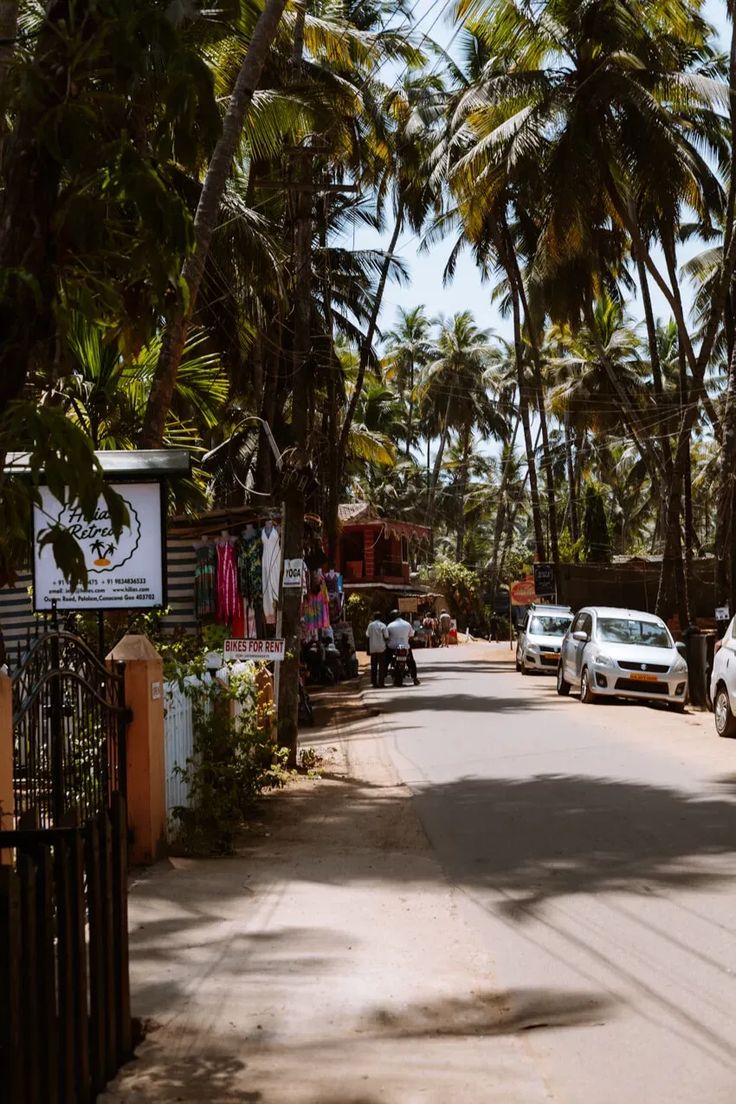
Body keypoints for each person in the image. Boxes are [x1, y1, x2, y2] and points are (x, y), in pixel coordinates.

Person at [387, 609, 420, 685]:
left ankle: (382, 676)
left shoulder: (390, 625)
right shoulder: (407, 624)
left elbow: (387, 636)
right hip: (405, 647)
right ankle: (415, 678)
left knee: (386, 661)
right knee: (411, 662)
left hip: (392, 647)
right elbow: (411, 635)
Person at [365, 611, 389, 688]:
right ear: (381, 617)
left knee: (374, 666)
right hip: (381, 648)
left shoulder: (370, 625)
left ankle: (374, 683)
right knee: (382, 666)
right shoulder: (382, 625)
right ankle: (381, 683)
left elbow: (367, 635)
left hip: (373, 648)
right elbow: (386, 636)